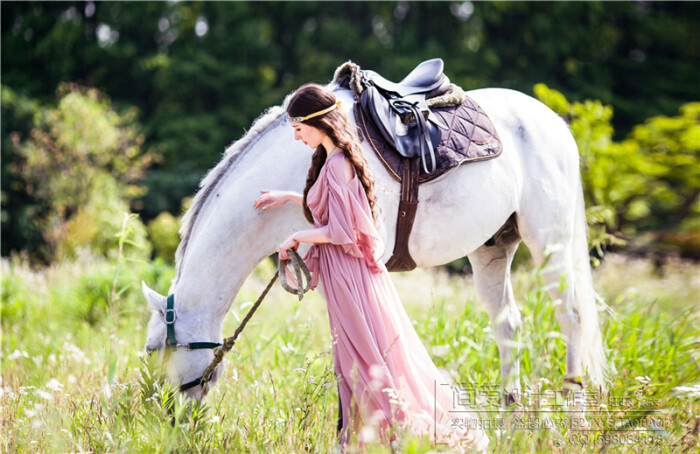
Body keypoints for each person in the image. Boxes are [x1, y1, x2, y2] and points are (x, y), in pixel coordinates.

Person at [254, 84, 488, 452]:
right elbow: (335, 208)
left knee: (362, 355)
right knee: (357, 354)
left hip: (348, 275)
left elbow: (343, 231)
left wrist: (296, 236)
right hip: (345, 273)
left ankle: (380, 436)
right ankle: (363, 437)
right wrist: (290, 197)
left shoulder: (336, 164)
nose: (296, 136)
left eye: (299, 128)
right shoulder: (335, 160)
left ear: (318, 123)